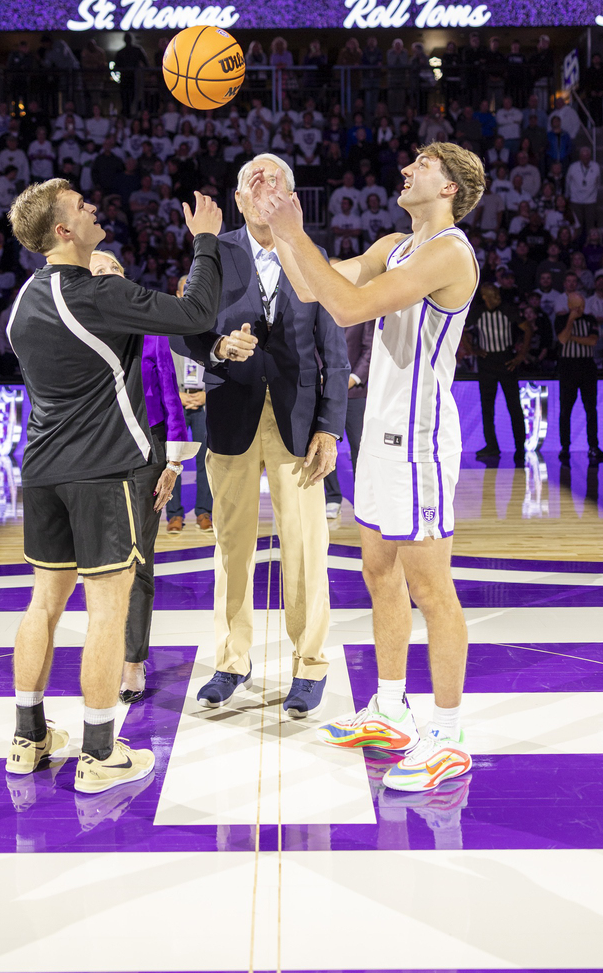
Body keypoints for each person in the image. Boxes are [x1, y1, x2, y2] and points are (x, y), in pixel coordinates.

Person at [258, 140, 485, 793]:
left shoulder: (449, 251)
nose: (407, 169)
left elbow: (352, 308)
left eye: (423, 164)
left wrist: (296, 233)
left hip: (418, 444)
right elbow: (314, 285)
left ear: (449, 188)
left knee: (431, 588)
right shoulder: (394, 245)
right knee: (379, 570)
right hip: (381, 437)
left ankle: (447, 736)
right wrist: (281, 232)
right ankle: (390, 709)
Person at [4, 178, 222, 795]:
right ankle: (100, 751)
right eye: (80, 206)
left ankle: (28, 739)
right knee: (105, 610)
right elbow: (196, 313)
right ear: (63, 231)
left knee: (43, 604)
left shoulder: (22, 301)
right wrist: (204, 242)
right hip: (103, 472)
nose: (94, 206)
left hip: (43, 469)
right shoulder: (97, 295)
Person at [171, 154, 349, 717]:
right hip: (231, 415)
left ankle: (310, 665)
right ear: (241, 201)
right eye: (253, 180)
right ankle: (231, 660)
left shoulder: (309, 254)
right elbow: (184, 329)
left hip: (299, 425)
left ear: (291, 198)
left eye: (275, 177)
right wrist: (218, 348)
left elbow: (336, 353)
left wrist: (330, 428)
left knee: (306, 549)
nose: (263, 183)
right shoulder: (215, 253)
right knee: (232, 550)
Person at [88, 249, 190, 705]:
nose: (106, 275)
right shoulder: (77, 334)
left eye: (113, 269)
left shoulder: (151, 332)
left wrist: (173, 463)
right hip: (91, 459)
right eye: (96, 271)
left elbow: (170, 395)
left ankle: (132, 660)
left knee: (137, 559)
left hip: (145, 456)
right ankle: (105, 651)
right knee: (98, 566)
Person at [165, 274, 213, 534]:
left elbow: (222, 366)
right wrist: (176, 395)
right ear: (178, 295)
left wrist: (207, 394)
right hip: (177, 402)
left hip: (205, 401)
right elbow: (161, 368)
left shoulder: (212, 325)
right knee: (174, 461)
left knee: (207, 461)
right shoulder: (169, 328)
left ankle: (205, 511)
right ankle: (174, 514)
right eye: (187, 290)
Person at [467, 283, 532, 462]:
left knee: (514, 406)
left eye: (497, 293)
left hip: (506, 360)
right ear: (485, 298)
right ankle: (491, 446)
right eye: (493, 295)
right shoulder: (478, 311)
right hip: (487, 362)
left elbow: (528, 329)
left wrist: (521, 355)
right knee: (487, 407)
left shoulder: (507, 309)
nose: (498, 297)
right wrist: (472, 349)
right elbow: (461, 330)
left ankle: (520, 447)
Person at [323, 318, 375, 521]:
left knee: (360, 448)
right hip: (323, 389)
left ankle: (364, 498)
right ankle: (332, 498)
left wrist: (352, 379)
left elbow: (369, 349)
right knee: (323, 446)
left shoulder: (362, 312)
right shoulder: (319, 306)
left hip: (355, 392)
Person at [554, 292, 603, 464]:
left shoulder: (590, 319)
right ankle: (565, 447)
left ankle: (593, 446)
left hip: (587, 367)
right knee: (565, 410)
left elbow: (592, 341)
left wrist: (573, 338)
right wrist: (571, 320)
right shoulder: (561, 320)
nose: (580, 309)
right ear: (569, 305)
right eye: (576, 306)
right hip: (567, 367)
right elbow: (562, 339)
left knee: (591, 409)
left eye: (582, 305)